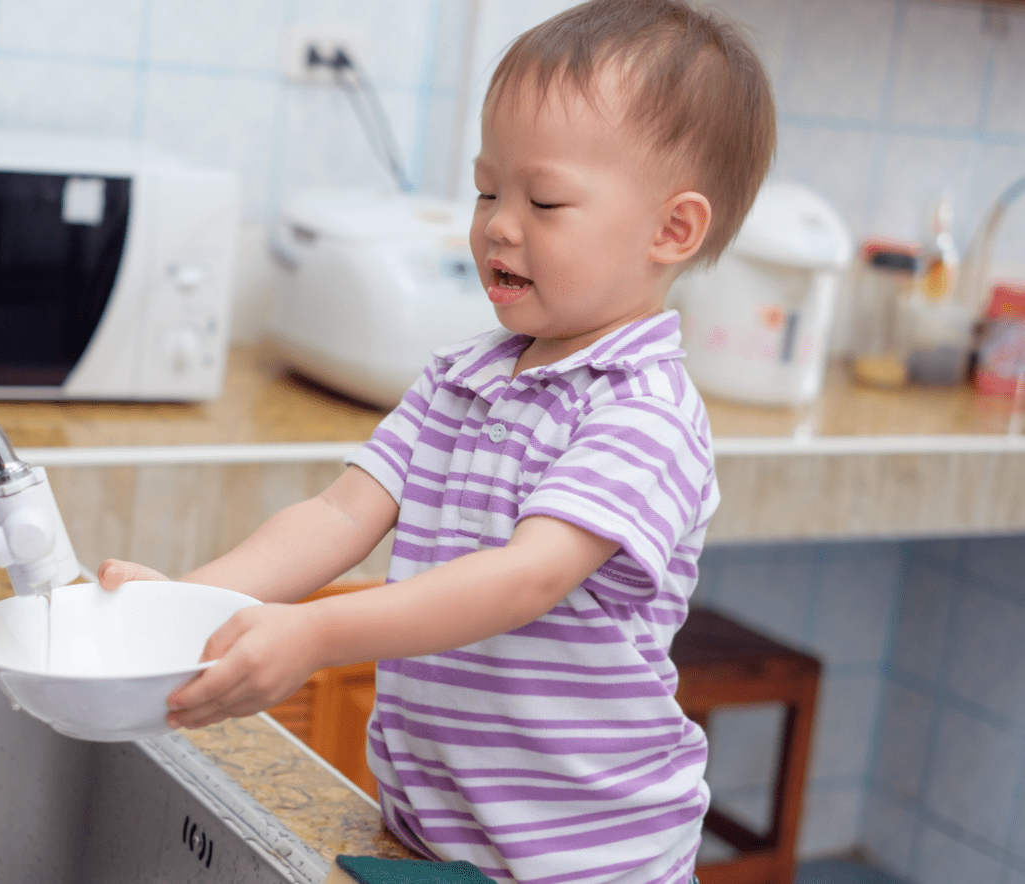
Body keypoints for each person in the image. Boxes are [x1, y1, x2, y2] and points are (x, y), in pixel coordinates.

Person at [100, 1, 775, 880]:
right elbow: (340, 512)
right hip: (439, 837)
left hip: (590, 858)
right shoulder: (463, 376)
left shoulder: (644, 409)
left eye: (545, 199)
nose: (498, 222)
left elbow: (527, 577)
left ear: (672, 229)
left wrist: (313, 634)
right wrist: (185, 607)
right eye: (488, 188)